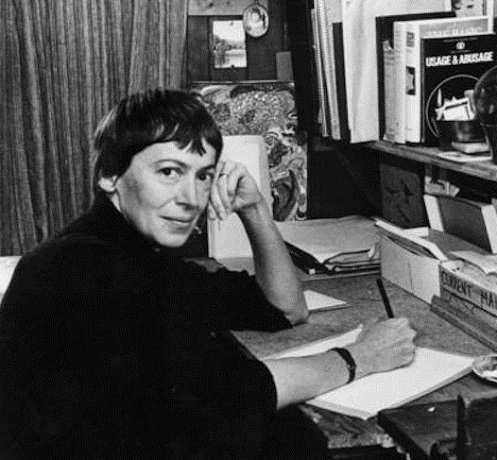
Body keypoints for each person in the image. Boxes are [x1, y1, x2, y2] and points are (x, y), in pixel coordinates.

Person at [0, 88, 417, 459]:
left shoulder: (134, 252)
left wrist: (254, 208)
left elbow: (285, 308)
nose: (191, 198)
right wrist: (360, 357)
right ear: (110, 175)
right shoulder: (81, 268)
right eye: (169, 172)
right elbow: (228, 395)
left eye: (203, 176)